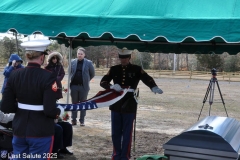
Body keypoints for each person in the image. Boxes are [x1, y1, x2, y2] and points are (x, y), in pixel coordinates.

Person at [0, 40, 65, 160]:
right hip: (41, 131)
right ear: (42, 57)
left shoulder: (15, 74)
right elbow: (49, 110)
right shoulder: (48, 76)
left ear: (27, 56)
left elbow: (5, 106)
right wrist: (60, 112)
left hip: (19, 129)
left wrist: (21, 108)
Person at [100, 48, 163, 160]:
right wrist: (111, 86)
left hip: (129, 103)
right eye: (121, 58)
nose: (123, 60)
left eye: (125, 58)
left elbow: (146, 78)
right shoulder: (114, 69)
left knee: (127, 132)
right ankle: (116, 154)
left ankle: (125, 156)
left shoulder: (136, 69)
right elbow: (103, 82)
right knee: (116, 132)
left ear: (129, 58)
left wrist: (153, 86)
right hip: (116, 103)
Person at [45, 51, 73, 158]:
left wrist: (59, 116)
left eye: (57, 59)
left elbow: (62, 74)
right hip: (44, 120)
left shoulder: (59, 67)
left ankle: (63, 147)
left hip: (53, 101)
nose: (55, 60)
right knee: (58, 128)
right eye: (53, 58)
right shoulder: (47, 70)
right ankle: (54, 152)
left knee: (67, 125)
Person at [70, 47, 95, 126]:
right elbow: (69, 72)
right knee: (74, 104)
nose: (79, 55)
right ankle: (73, 120)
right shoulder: (72, 62)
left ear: (84, 55)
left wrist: (86, 80)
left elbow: (92, 74)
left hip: (83, 87)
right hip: (74, 86)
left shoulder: (89, 63)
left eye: (81, 54)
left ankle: (82, 120)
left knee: (83, 104)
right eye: (78, 53)